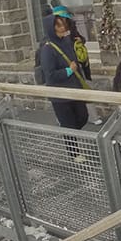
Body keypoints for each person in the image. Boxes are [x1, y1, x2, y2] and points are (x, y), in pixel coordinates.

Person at [39, 12, 90, 160]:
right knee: (68, 124)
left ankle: (70, 133)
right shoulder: (47, 49)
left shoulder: (67, 41)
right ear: (51, 28)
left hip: (75, 89)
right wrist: (68, 70)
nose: (63, 28)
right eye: (59, 25)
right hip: (60, 95)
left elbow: (79, 40)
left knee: (82, 117)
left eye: (63, 24)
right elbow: (50, 75)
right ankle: (74, 153)